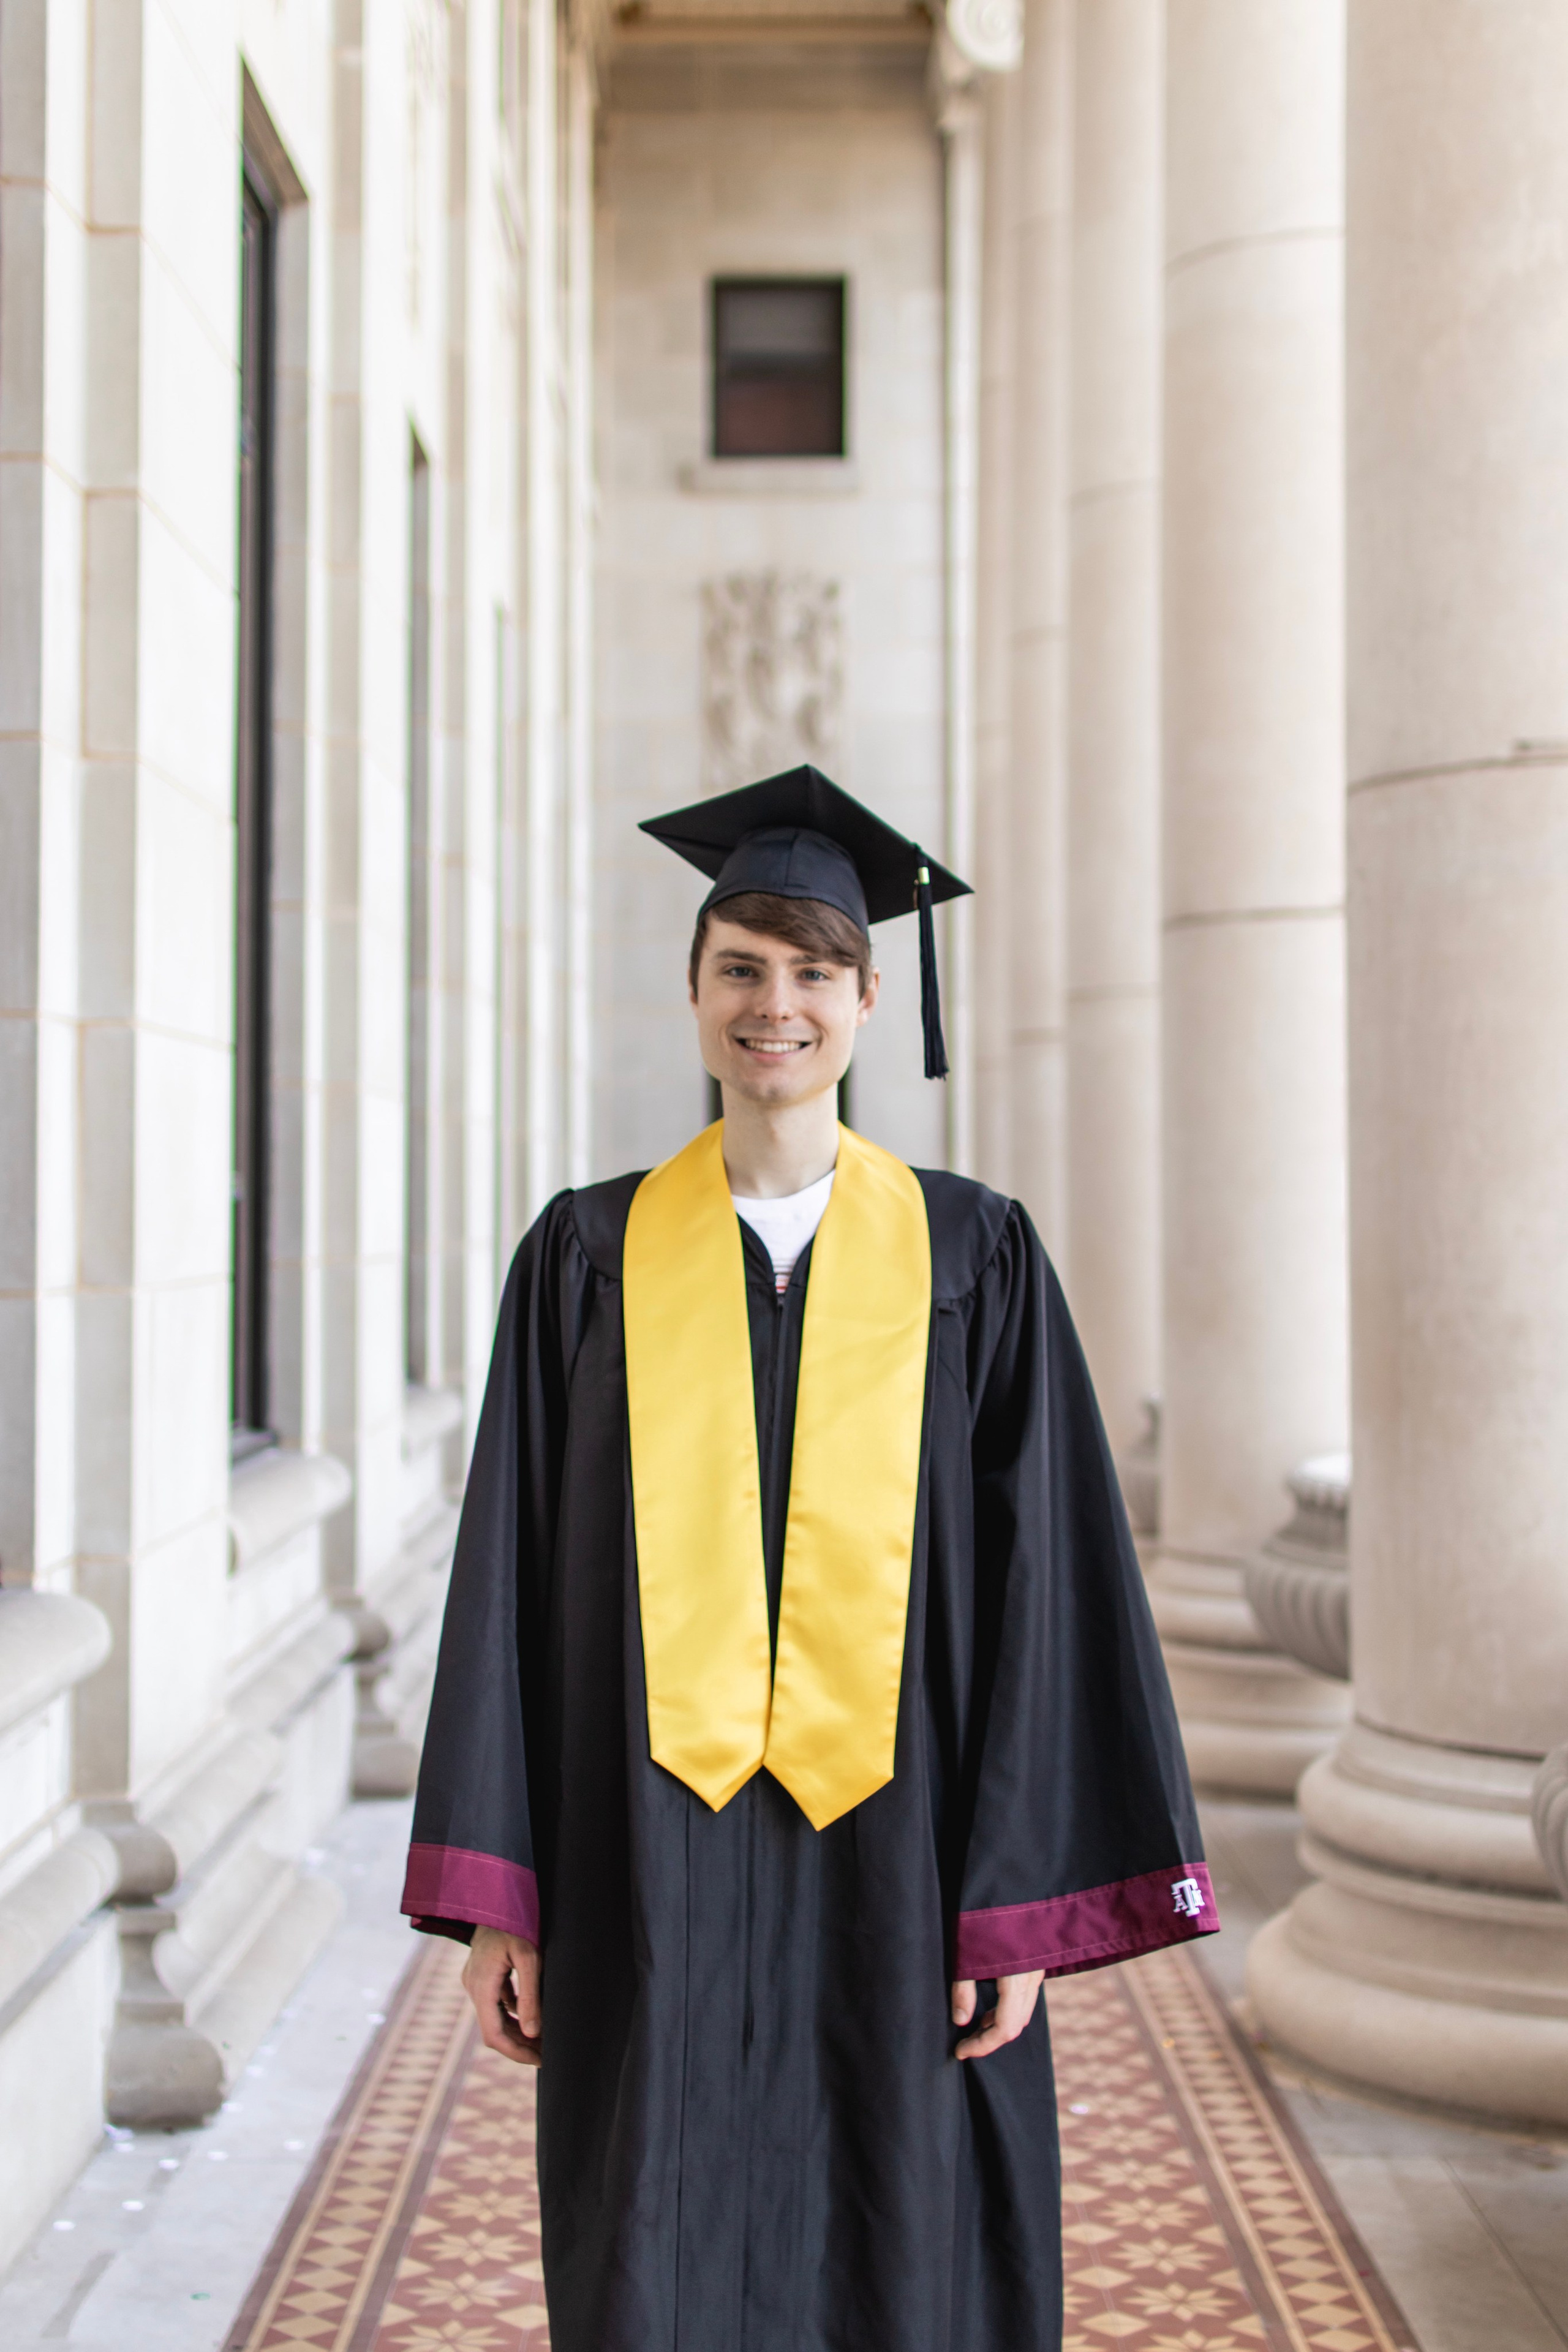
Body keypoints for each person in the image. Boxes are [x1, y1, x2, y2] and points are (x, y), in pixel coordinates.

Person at [402, 765, 1216, 2352]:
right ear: (696, 993)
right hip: (645, 1864)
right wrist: (507, 1895)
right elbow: (506, 1576)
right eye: (742, 970)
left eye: (813, 972)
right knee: (660, 2238)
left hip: (900, 1869)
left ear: (866, 998)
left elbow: (1054, 1593)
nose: (777, 1006)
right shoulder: (586, 1258)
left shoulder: (975, 1259)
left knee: (897, 2244)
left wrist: (1015, 1909)